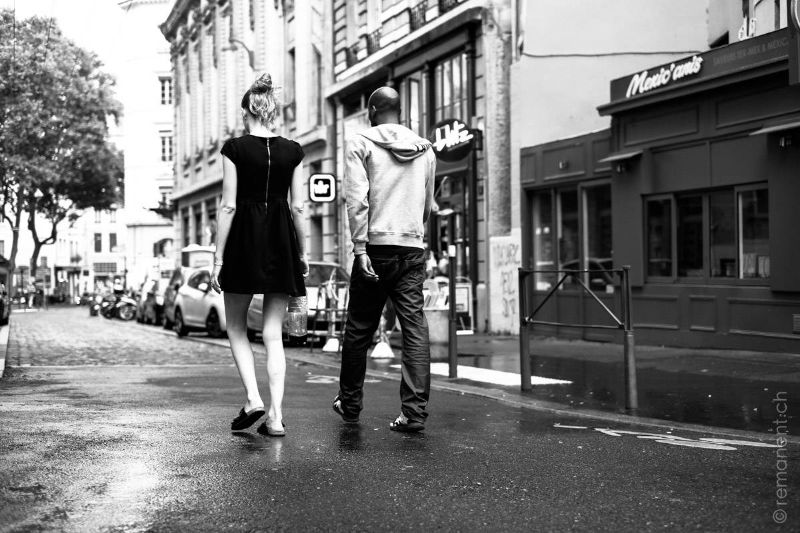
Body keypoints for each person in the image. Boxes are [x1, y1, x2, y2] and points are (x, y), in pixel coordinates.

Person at [210, 73, 309, 437]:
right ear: (271, 110)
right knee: (272, 334)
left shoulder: (234, 149)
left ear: (246, 112)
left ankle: (253, 398)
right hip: (281, 241)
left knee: (236, 326)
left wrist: (218, 258)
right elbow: (299, 208)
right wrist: (302, 252)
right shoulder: (293, 151)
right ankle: (276, 417)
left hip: (244, 242)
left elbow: (228, 206)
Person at [333, 86, 436, 433]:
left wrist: (359, 247)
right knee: (414, 328)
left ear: (372, 111)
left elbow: (356, 199)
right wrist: (411, 231)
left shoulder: (359, 143)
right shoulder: (425, 150)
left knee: (359, 328)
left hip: (375, 248)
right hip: (412, 247)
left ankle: (350, 404)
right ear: (400, 112)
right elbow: (426, 205)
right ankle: (414, 413)